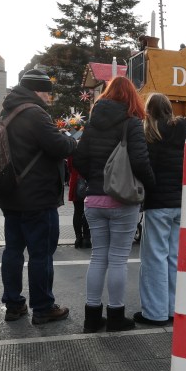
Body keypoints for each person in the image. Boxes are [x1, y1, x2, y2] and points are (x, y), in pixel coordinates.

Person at [74, 76, 155, 333]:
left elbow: (79, 158)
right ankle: (116, 315)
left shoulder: (92, 122)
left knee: (98, 257)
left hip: (94, 199)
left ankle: (92, 317)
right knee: (118, 259)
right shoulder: (131, 123)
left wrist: (95, 179)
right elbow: (141, 161)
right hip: (122, 200)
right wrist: (150, 185)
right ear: (132, 96)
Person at [0, 68, 77, 325]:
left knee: (12, 251)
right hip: (38, 196)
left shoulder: (6, 113)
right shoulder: (35, 113)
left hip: (11, 193)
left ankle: (13, 304)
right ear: (37, 90)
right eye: (47, 92)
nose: (49, 97)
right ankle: (43, 307)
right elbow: (59, 146)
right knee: (41, 254)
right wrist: (72, 141)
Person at [136, 93, 186, 326]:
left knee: (154, 258)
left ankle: (155, 312)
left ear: (149, 109)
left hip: (157, 202)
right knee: (175, 257)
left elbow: (142, 165)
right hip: (182, 201)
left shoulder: (147, 131)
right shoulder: (183, 127)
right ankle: (174, 309)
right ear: (169, 108)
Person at [67, 155, 90, 249]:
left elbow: (69, 166)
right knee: (88, 212)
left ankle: (78, 238)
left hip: (76, 183)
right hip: (89, 182)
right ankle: (87, 239)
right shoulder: (92, 147)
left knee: (77, 211)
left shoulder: (73, 150)